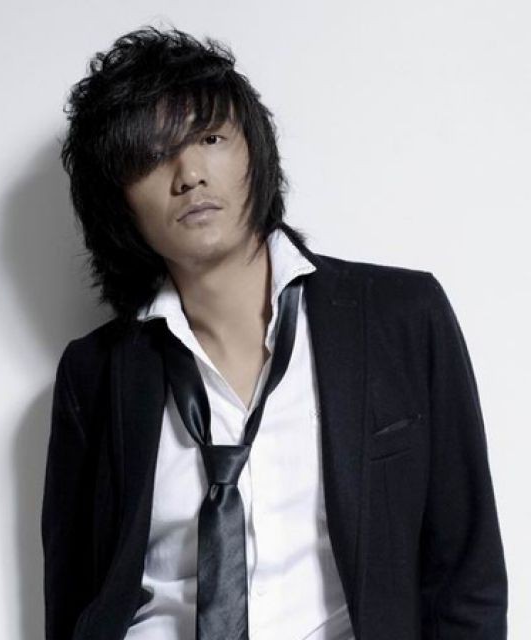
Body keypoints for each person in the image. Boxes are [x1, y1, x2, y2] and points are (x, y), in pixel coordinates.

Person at [40, 25, 508, 640]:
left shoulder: (401, 316)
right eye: (150, 157)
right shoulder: (94, 374)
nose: (189, 174)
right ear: (118, 203)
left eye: (210, 138)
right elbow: (74, 599)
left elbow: (468, 575)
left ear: (254, 152)